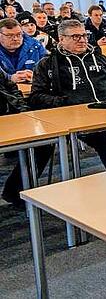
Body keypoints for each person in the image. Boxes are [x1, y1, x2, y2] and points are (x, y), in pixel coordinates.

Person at [28, 19, 106, 170]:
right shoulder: (48, 64)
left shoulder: (100, 58)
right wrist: (65, 102)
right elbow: (36, 97)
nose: (82, 40)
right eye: (75, 37)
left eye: (84, 36)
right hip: (77, 119)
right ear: (61, 39)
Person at [0, 68, 44, 208]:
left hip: (8, 116)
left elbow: (11, 87)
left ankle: (16, 191)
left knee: (43, 142)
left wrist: (24, 112)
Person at [0, 18, 46, 83]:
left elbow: (49, 71)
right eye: (9, 35)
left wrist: (36, 77)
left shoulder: (36, 46)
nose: (15, 39)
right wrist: (10, 78)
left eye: (19, 35)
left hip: (33, 90)